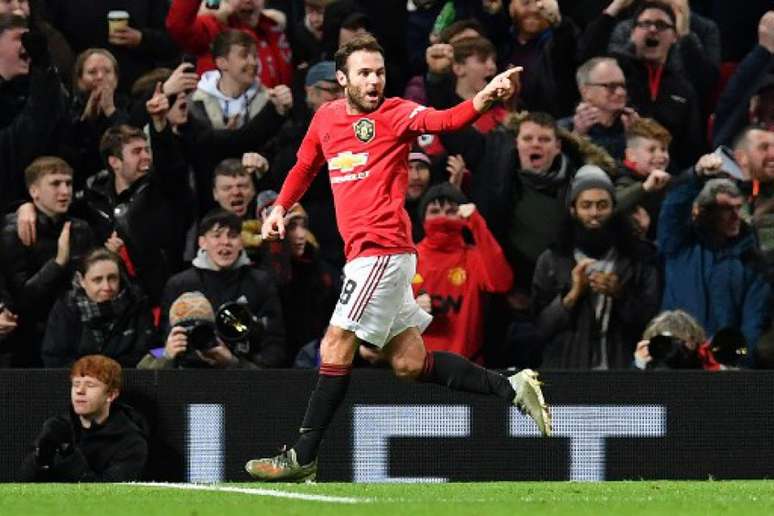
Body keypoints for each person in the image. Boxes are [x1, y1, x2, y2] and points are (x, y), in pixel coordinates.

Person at [245, 33, 550, 483]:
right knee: (410, 363)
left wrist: (485, 97)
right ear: (343, 78)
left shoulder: (398, 114)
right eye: (365, 73)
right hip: (364, 257)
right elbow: (306, 165)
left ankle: (302, 455)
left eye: (379, 72)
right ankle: (510, 386)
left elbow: (446, 120)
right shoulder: (327, 119)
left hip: (382, 251)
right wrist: (279, 207)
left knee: (336, 343)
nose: (374, 81)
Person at [531, 165, 660, 369]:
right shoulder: (552, 260)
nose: (594, 213)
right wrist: (571, 297)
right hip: (566, 374)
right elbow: (539, 330)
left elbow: (651, 324)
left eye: (602, 205)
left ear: (614, 208)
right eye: (586, 205)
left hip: (622, 373)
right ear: (573, 209)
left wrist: (620, 294)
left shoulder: (638, 258)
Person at [658, 153, 771, 364]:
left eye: (738, 208)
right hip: (676, 360)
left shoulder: (752, 260)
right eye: (726, 210)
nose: (736, 217)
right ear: (702, 212)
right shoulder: (679, 246)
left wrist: (735, 364)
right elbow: (673, 208)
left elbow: (752, 324)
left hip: (723, 366)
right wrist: (694, 175)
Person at [159, 209, 286, 368]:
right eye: (217, 235)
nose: (225, 242)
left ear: (241, 242)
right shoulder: (179, 285)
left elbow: (274, 346)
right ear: (202, 242)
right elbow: (162, 342)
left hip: (244, 382)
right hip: (190, 376)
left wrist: (236, 364)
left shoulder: (261, 282)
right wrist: (168, 354)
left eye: (232, 236)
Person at [1, 156, 94, 366]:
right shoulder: (13, 231)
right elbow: (22, 300)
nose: (65, 191)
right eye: (55, 184)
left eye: (69, 183)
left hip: (77, 336)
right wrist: (58, 262)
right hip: (30, 343)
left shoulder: (81, 228)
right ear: (34, 191)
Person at [413, 183, 513, 362]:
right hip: (417, 366)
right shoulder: (409, 258)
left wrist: (477, 223)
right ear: (423, 218)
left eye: (451, 211)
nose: (442, 218)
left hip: (466, 366)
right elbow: (386, 313)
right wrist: (411, 310)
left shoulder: (474, 258)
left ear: (462, 216)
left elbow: (501, 282)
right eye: (435, 212)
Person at [18, 355, 148, 481]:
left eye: (90, 385)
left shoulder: (130, 441)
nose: (79, 390)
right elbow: (23, 485)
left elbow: (108, 496)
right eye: (76, 384)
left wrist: (68, 452)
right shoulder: (59, 427)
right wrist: (41, 456)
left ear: (111, 395)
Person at [41, 248, 156, 368]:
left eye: (112, 278)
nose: (106, 286)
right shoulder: (65, 308)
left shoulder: (137, 303)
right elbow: (54, 358)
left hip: (129, 381)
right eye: (97, 280)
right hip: (78, 383)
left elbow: (148, 354)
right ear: (82, 281)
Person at [0, 13, 66, 211]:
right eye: (20, 39)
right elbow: (21, 140)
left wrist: (44, 68)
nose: (28, 46)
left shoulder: (45, 85)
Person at [166, 0, 293, 89]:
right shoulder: (214, 26)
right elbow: (178, 26)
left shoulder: (273, 27)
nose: (248, 0)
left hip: (278, 118)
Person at [559, 56, 638, 161]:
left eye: (622, 85)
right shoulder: (563, 129)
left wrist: (636, 138)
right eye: (611, 86)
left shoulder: (633, 125)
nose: (620, 92)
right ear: (585, 91)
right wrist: (577, 136)